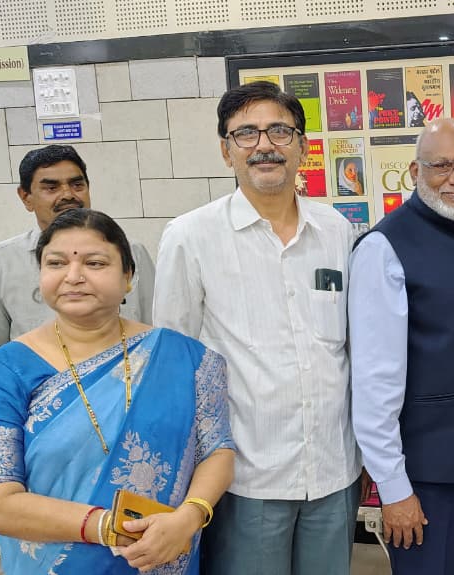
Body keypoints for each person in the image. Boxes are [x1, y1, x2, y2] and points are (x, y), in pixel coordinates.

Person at [153, 81, 364, 575]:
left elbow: (352, 348)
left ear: (303, 147)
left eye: (279, 131)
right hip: (246, 475)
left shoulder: (336, 230)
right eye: (246, 133)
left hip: (333, 469)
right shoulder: (191, 236)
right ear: (226, 150)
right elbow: (172, 360)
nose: (264, 145)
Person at [0, 208, 234, 574]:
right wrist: (105, 527)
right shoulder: (6, 369)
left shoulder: (187, 358)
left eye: (95, 263)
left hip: (164, 555)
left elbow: (217, 450)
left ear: (128, 276)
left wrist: (189, 516)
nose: (74, 276)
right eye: (56, 263)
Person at [350, 117, 454, 575]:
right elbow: (373, 381)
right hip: (423, 478)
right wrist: (393, 487)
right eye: (442, 166)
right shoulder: (384, 248)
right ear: (415, 171)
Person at [0, 144, 155, 346]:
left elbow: (155, 328)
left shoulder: (131, 251)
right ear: (26, 197)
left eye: (77, 185)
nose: (67, 195)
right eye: (51, 188)